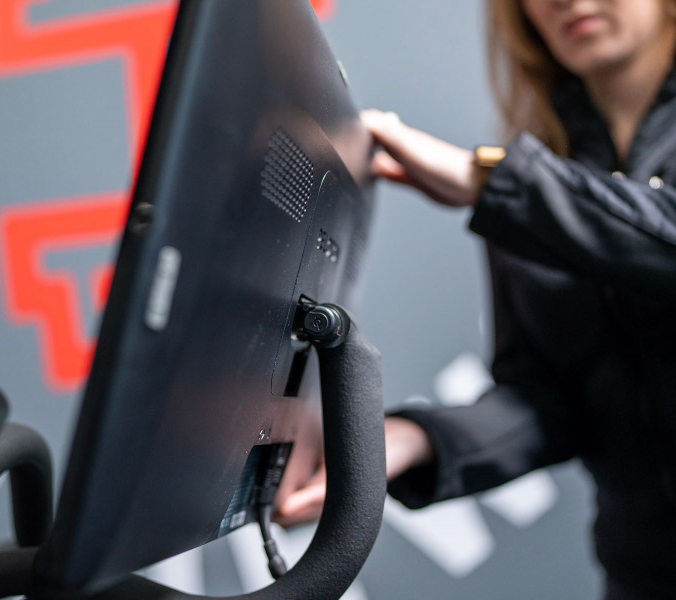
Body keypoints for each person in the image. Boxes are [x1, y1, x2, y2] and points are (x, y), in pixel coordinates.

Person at [274, 0, 676, 598]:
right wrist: (403, 441)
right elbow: (546, 399)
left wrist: (494, 184)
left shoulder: (520, 189)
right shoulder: (541, 174)